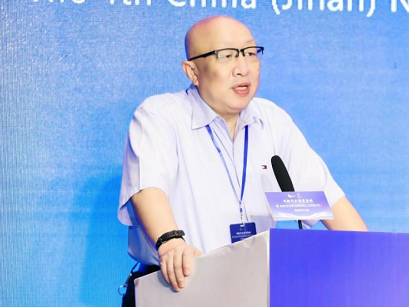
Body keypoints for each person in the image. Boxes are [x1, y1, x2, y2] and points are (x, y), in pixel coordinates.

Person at [118, 16, 367, 304]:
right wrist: (171, 242)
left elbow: (329, 200)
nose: (243, 68)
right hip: (178, 291)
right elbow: (147, 188)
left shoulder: (272, 120)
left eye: (250, 53)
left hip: (254, 292)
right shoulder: (160, 115)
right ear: (192, 71)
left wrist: (370, 257)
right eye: (226, 55)